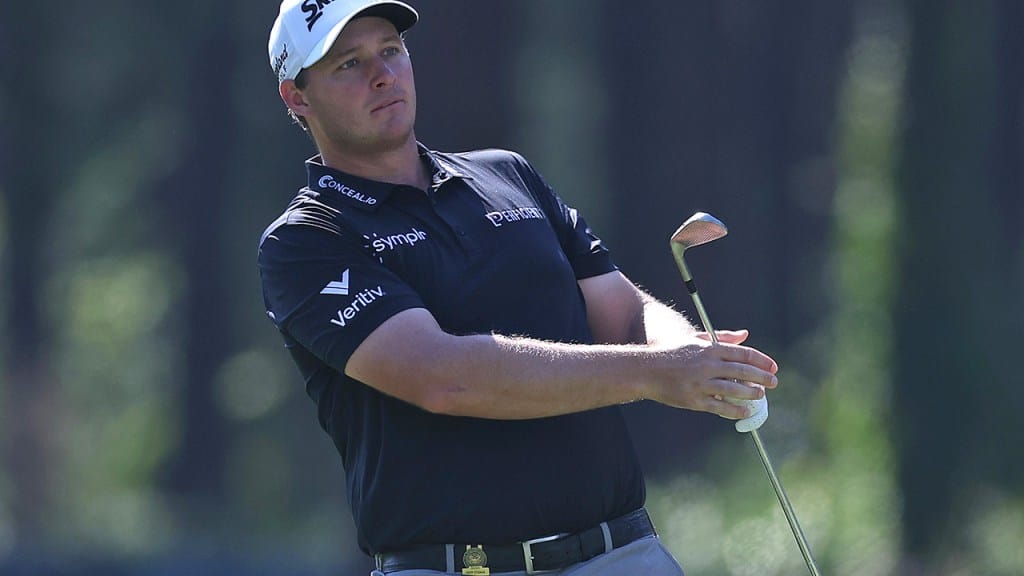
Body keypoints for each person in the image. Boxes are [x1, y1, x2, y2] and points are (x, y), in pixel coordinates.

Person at [259, 1, 779, 574]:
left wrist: (690, 355)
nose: (382, 75)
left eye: (390, 50)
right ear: (297, 97)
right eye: (349, 64)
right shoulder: (306, 240)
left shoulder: (507, 174)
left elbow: (627, 314)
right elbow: (443, 378)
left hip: (620, 552)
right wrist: (658, 372)